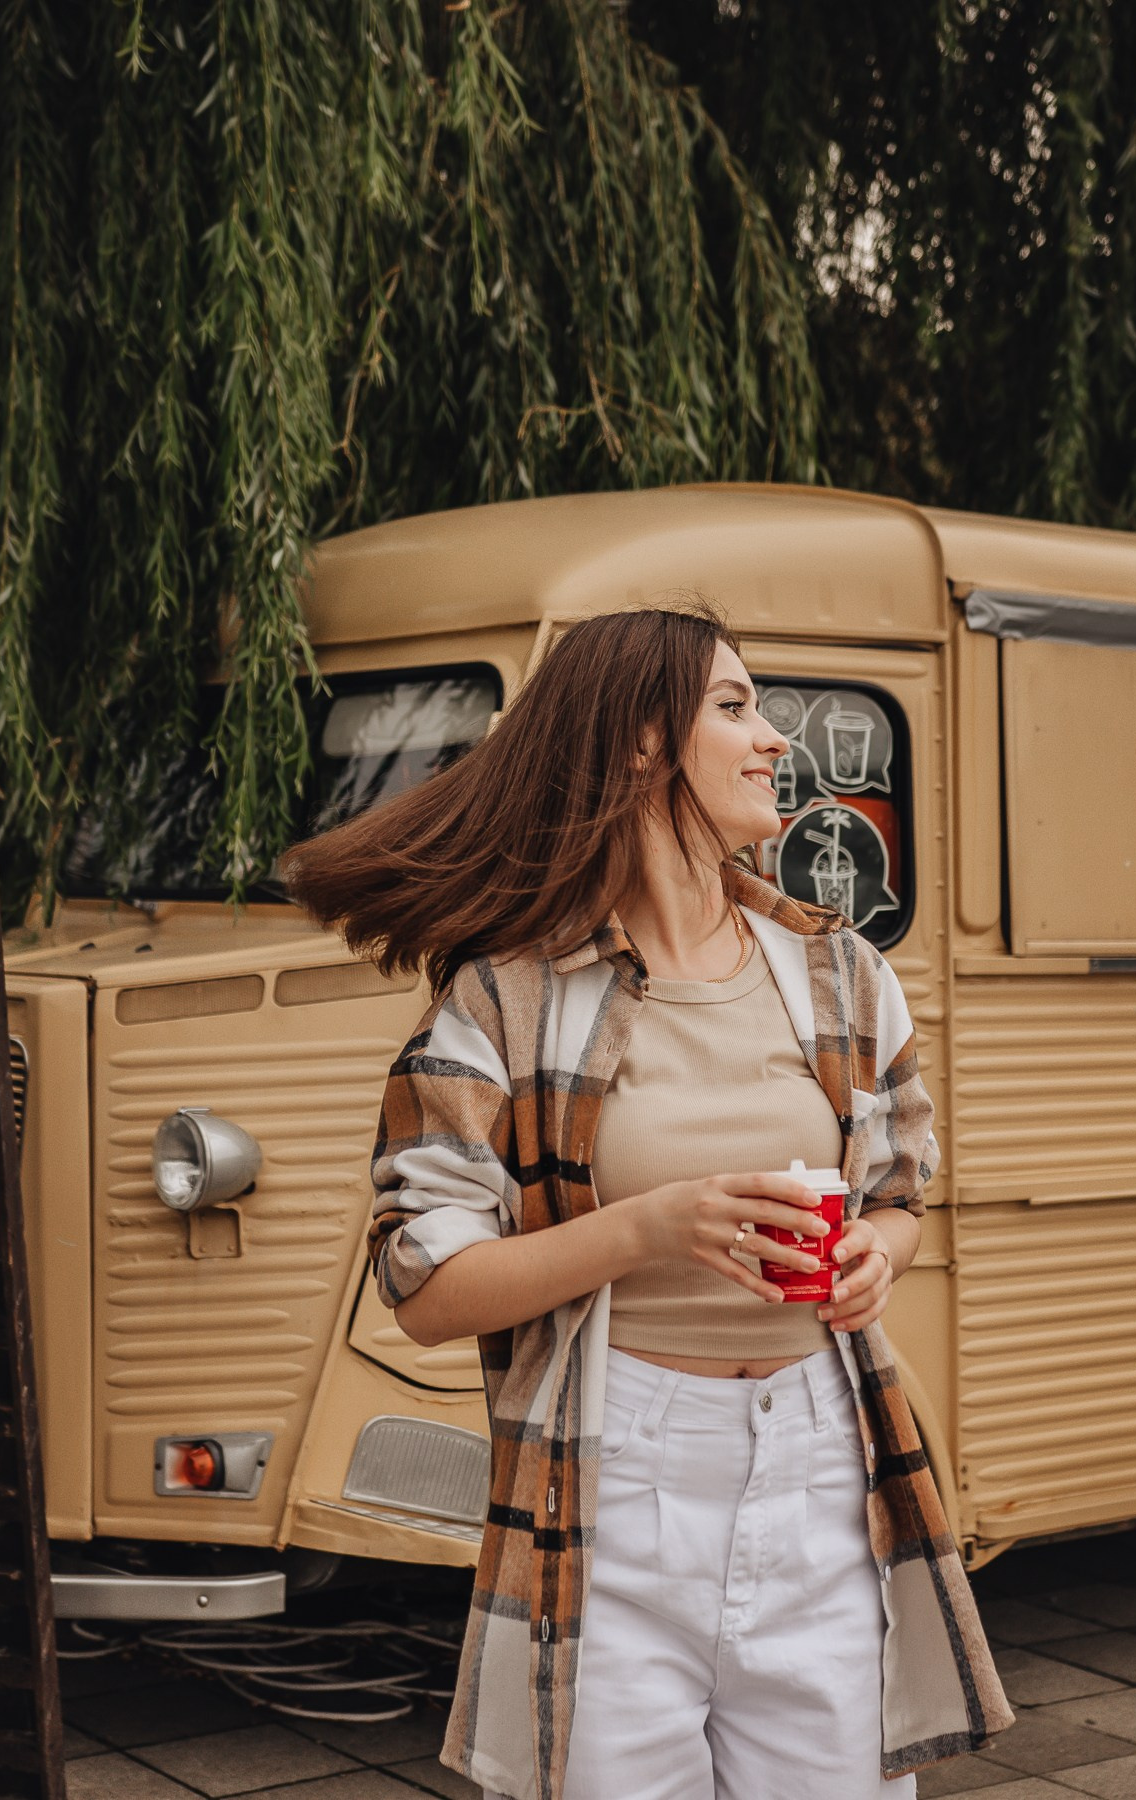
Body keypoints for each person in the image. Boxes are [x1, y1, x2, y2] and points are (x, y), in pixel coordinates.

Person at [284, 601, 1011, 1800]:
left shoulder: (838, 971)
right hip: (612, 1469)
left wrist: (877, 1251)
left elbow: (898, 1191)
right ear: (637, 742)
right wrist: (651, 1227)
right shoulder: (505, 1001)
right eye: (733, 707)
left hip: (823, 1458)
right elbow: (426, 1286)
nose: (775, 738)